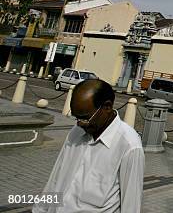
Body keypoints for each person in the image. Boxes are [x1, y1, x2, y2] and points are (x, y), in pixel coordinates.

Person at [33, 79, 144, 212]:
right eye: (76, 118)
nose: (80, 124)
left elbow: (131, 206)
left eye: (85, 118)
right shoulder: (76, 131)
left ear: (107, 107)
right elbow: (56, 177)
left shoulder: (129, 146)